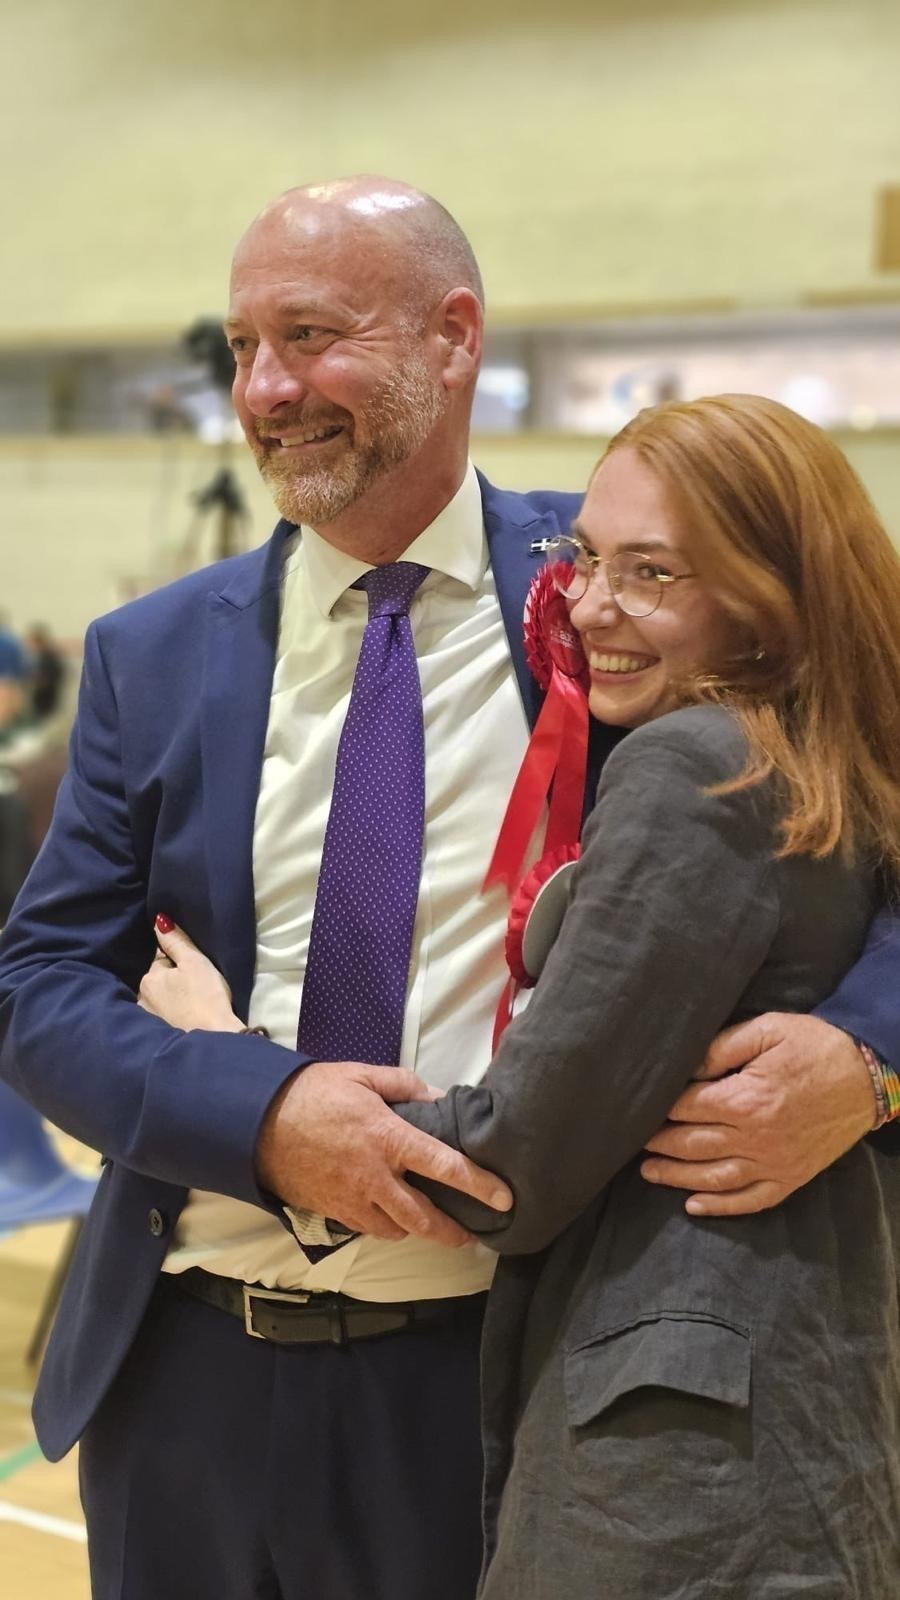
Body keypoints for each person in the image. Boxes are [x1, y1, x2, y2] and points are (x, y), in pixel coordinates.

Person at [0, 178, 896, 1599]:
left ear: (452, 338)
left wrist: (872, 1050)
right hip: (183, 1372)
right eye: (241, 346)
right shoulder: (148, 653)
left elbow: (861, 784)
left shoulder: (623, 589)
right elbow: (39, 989)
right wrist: (270, 1110)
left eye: (310, 335)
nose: (265, 390)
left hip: (500, 1367)